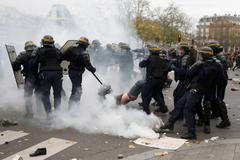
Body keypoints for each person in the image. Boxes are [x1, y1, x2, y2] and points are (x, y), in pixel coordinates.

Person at [159, 47, 226, 139]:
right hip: (199, 89)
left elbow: (189, 74)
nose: (200, 56)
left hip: (196, 89)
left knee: (188, 109)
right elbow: (222, 79)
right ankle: (170, 124)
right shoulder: (217, 65)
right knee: (180, 104)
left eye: (201, 54)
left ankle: (192, 132)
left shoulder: (201, 64)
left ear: (204, 55)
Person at [32, 35, 63, 116]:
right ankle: (57, 114)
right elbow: (61, 60)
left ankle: (49, 115)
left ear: (43, 42)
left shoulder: (39, 50)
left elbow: (33, 63)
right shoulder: (57, 50)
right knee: (57, 95)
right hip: (57, 74)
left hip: (45, 74)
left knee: (45, 95)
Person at [62, 37, 96, 108]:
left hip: (71, 71)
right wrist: (93, 69)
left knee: (76, 89)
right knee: (77, 90)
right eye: (87, 45)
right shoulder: (84, 53)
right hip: (77, 72)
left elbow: (63, 57)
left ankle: (72, 108)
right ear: (84, 45)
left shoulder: (71, 49)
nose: (87, 46)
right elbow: (88, 65)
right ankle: (73, 108)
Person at [139, 47, 169, 115]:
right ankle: (163, 107)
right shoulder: (162, 59)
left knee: (145, 94)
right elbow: (166, 68)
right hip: (160, 80)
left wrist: (144, 59)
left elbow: (141, 65)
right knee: (156, 94)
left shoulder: (149, 57)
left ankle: (145, 111)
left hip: (152, 79)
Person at [12, 41, 38, 118]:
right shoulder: (39, 53)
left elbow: (16, 66)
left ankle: (29, 114)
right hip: (40, 77)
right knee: (40, 94)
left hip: (29, 77)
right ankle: (41, 111)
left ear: (26, 47)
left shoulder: (22, 54)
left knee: (28, 95)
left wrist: (15, 65)